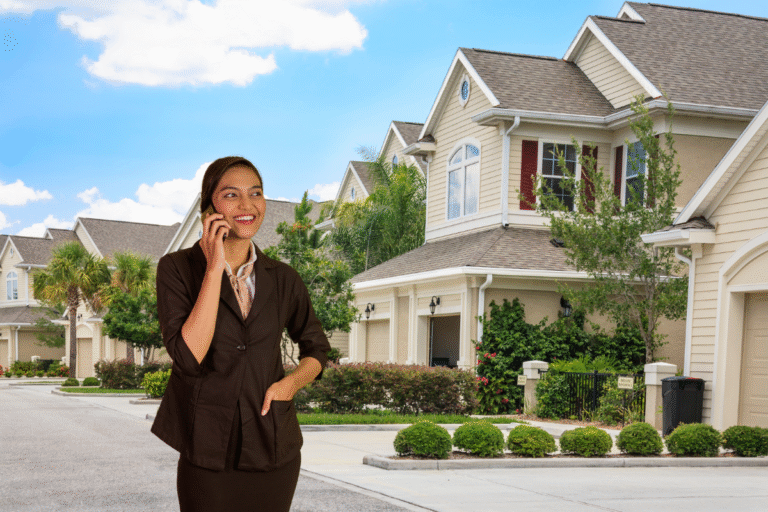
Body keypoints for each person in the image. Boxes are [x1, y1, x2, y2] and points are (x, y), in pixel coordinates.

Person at [151, 156, 331, 511]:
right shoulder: (176, 269)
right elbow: (188, 357)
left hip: (272, 443)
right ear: (210, 207)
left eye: (256, 194)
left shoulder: (283, 278)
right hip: (206, 446)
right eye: (231, 195)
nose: (247, 206)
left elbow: (317, 350)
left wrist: (289, 385)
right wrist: (215, 266)